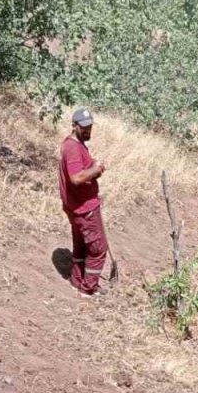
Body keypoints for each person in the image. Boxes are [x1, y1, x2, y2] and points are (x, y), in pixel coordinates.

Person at [58, 107, 114, 297]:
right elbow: (76, 177)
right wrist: (96, 170)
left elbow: (80, 171)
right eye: (84, 127)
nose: (88, 130)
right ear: (74, 126)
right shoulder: (73, 147)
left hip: (76, 207)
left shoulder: (73, 144)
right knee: (98, 249)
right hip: (84, 208)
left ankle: (76, 280)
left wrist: (93, 165)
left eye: (90, 127)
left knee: (82, 245)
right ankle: (88, 288)